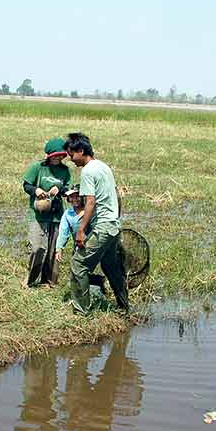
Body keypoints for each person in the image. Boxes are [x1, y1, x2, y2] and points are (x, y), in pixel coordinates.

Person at [62, 132, 128, 314]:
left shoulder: (88, 171)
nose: (71, 159)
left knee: (78, 264)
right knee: (110, 266)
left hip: (103, 228)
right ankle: (124, 308)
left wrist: (81, 230)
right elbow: (114, 196)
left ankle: (82, 311)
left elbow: (90, 202)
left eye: (72, 154)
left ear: (81, 151)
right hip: (113, 225)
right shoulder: (104, 167)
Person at [22, 137, 71, 288]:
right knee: (38, 248)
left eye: (60, 155)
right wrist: (36, 190)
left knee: (53, 249)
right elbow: (26, 185)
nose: (57, 158)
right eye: (55, 155)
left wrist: (61, 189)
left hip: (57, 215)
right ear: (49, 155)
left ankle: (49, 281)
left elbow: (68, 191)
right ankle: (30, 281)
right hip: (39, 214)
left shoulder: (65, 171)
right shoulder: (38, 167)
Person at [55, 185, 107, 294]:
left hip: (93, 244)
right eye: (71, 197)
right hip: (78, 245)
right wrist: (59, 248)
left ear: (83, 197)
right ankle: (96, 283)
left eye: (77, 196)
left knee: (86, 268)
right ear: (68, 199)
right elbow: (63, 232)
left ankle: (96, 289)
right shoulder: (68, 214)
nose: (75, 199)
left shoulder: (90, 211)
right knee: (76, 272)